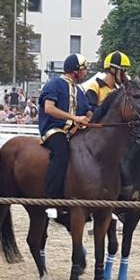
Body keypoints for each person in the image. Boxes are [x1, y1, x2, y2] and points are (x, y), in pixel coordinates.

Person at [38, 53, 92, 218]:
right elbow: (49, 108)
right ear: (75, 70)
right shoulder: (54, 84)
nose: (86, 73)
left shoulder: (79, 90)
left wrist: (91, 117)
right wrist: (75, 118)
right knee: (61, 152)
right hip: (54, 130)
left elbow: (87, 110)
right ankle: (52, 200)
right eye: (83, 69)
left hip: (72, 132)